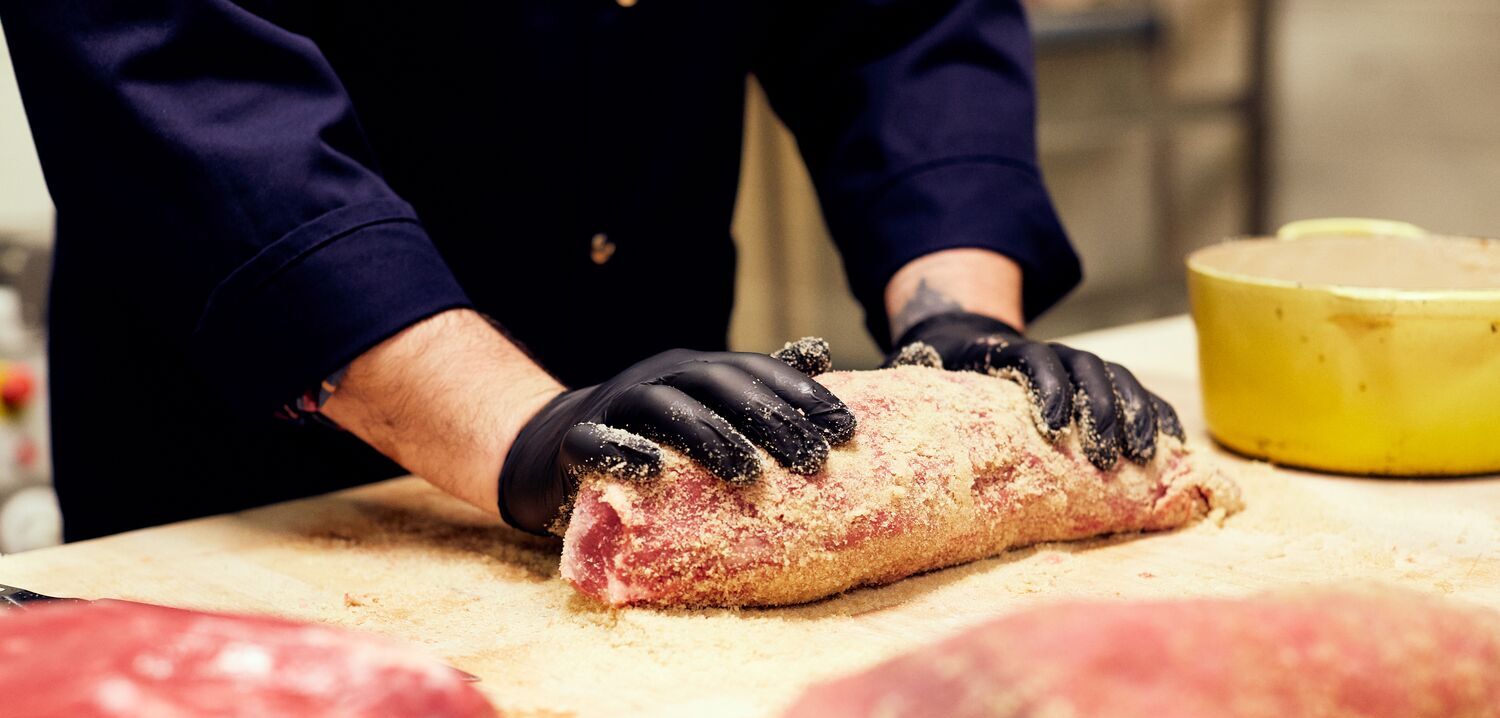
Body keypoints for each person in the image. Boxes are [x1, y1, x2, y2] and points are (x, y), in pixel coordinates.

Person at [1, 0, 1177, 542]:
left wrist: (958, 312)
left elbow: (903, 25)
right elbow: (171, 67)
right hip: (254, 476)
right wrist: (514, 427)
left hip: (664, 451)